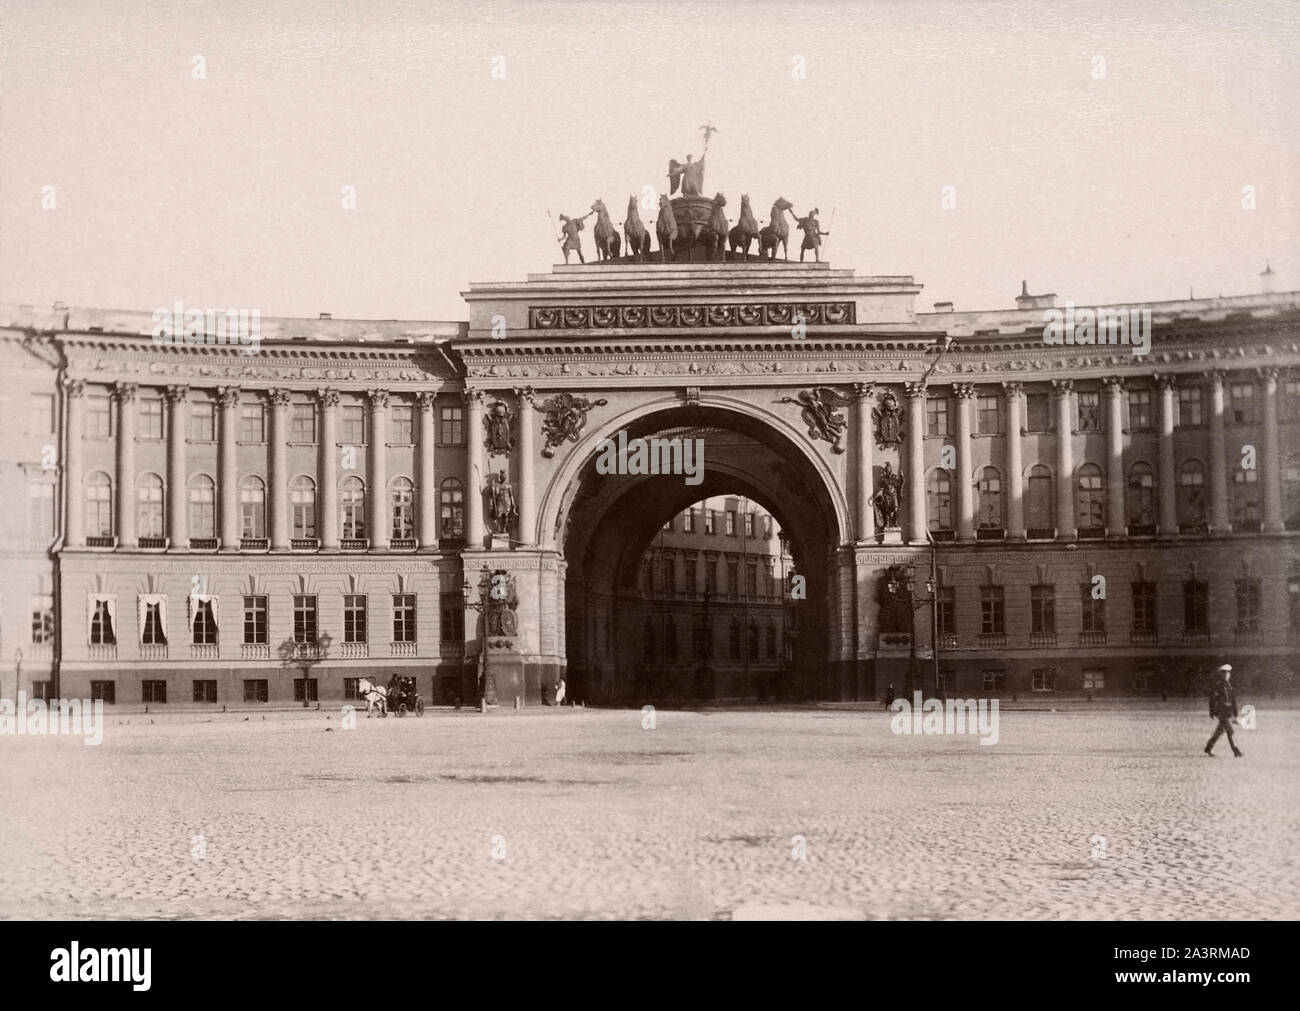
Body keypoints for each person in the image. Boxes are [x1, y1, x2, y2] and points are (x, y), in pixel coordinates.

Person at [1204, 664, 1243, 757]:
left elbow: (1233, 700)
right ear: (1220, 674)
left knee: (1219, 731)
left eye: (1228, 673)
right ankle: (1236, 751)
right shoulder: (1218, 686)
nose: (1227, 674)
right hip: (1221, 712)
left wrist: (1235, 712)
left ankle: (1208, 747)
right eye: (1224, 673)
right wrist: (1212, 711)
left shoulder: (1229, 686)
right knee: (1230, 731)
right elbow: (1212, 699)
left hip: (1228, 712)